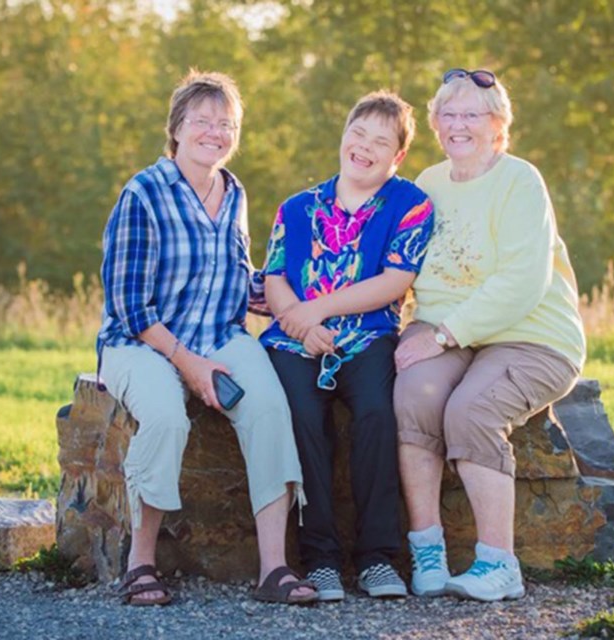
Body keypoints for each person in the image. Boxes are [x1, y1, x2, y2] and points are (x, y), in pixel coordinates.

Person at [96, 70, 315, 606]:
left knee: (267, 406)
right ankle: (140, 563)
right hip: (142, 342)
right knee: (167, 415)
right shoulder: (142, 193)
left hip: (219, 333)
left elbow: (239, 280)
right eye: (202, 121)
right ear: (176, 128)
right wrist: (187, 364)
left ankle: (274, 569)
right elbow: (128, 305)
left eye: (226, 123)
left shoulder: (234, 191)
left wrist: (305, 303)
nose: (215, 132)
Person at [393, 68, 586, 602]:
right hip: (450, 329)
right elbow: (405, 267)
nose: (458, 125)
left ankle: (499, 564)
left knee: (470, 409)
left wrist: (446, 334)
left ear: (497, 124)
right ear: (434, 124)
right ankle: (426, 550)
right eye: (448, 114)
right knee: (413, 394)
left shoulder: (520, 180)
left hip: (531, 334)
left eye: (472, 114)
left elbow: (523, 282)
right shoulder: (428, 184)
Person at [260, 91, 435, 601]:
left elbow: (396, 279)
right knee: (303, 419)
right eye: (358, 134)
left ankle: (378, 557)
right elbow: (274, 280)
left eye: (381, 142)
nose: (364, 147)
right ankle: (320, 560)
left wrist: (318, 309)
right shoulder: (297, 208)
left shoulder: (410, 204)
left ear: (397, 157)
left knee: (379, 414)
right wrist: (301, 325)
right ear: (343, 136)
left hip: (369, 339)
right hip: (294, 341)